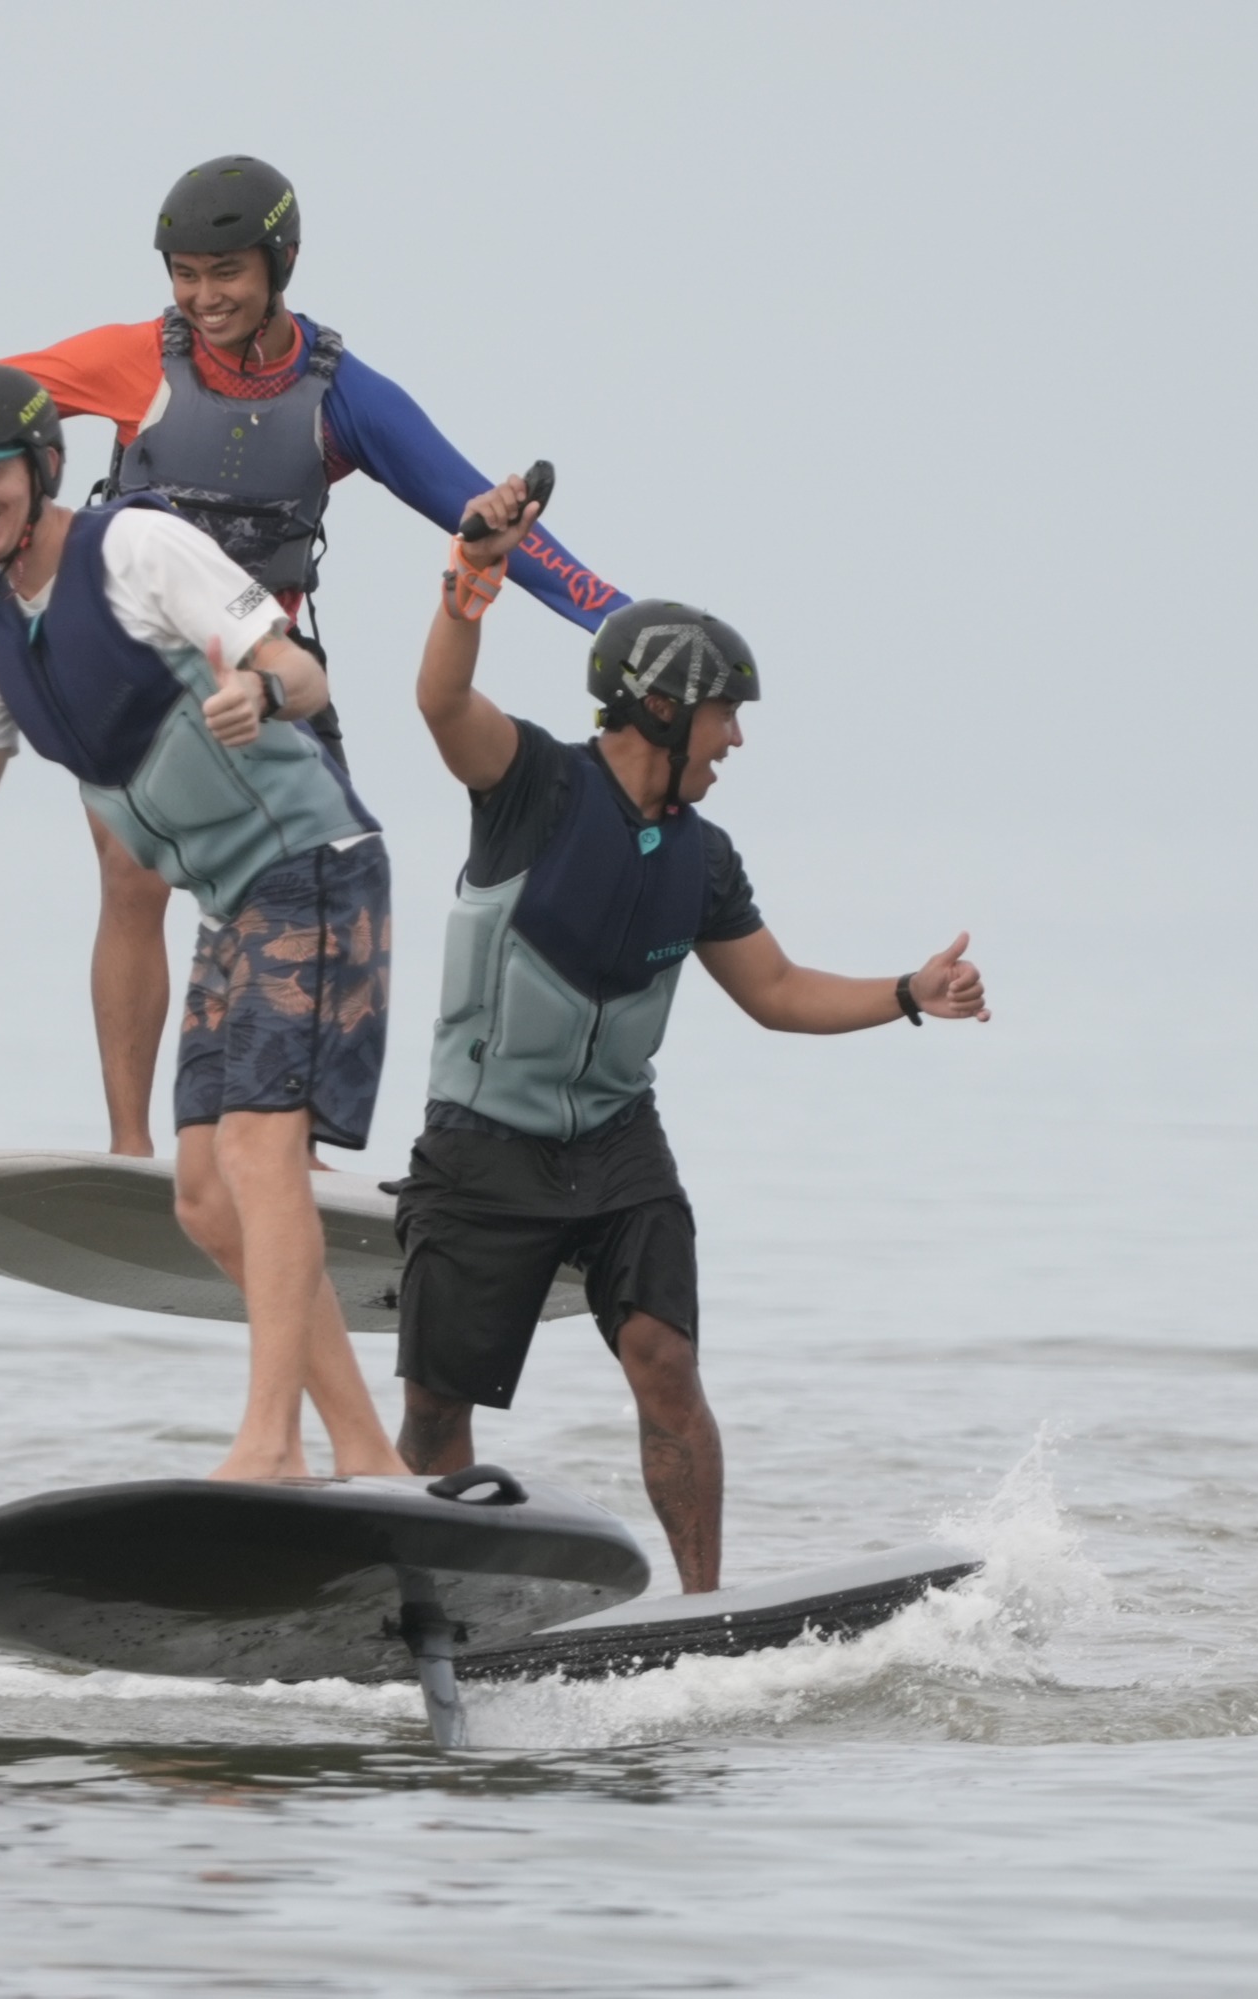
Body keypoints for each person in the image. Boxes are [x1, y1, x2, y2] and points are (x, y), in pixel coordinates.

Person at [0, 155, 627, 1159]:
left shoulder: (343, 396)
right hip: (136, 656)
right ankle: (131, 1152)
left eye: (227, 272)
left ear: (281, 263)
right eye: (185, 272)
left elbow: (477, 507)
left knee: (308, 882)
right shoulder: (137, 360)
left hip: (261, 656)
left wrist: (617, 618)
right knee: (132, 877)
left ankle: (288, 1153)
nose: (205, 296)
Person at [0, 364, 402, 1481]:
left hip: (312, 866)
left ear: (41, 466)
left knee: (261, 1160)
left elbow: (298, 673)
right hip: (231, 905)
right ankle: (372, 1457)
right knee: (208, 1202)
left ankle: (272, 1449)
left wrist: (259, 689)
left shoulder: (135, 549)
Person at [390, 475, 992, 1591]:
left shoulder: (705, 857)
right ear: (662, 707)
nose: (737, 740)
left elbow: (775, 989)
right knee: (435, 1409)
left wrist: (909, 991)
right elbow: (439, 703)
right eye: (727, 713)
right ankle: (430, 1602)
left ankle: (706, 1614)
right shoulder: (534, 785)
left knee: (666, 1363)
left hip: (619, 1145)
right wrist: (474, 575)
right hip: (484, 1142)